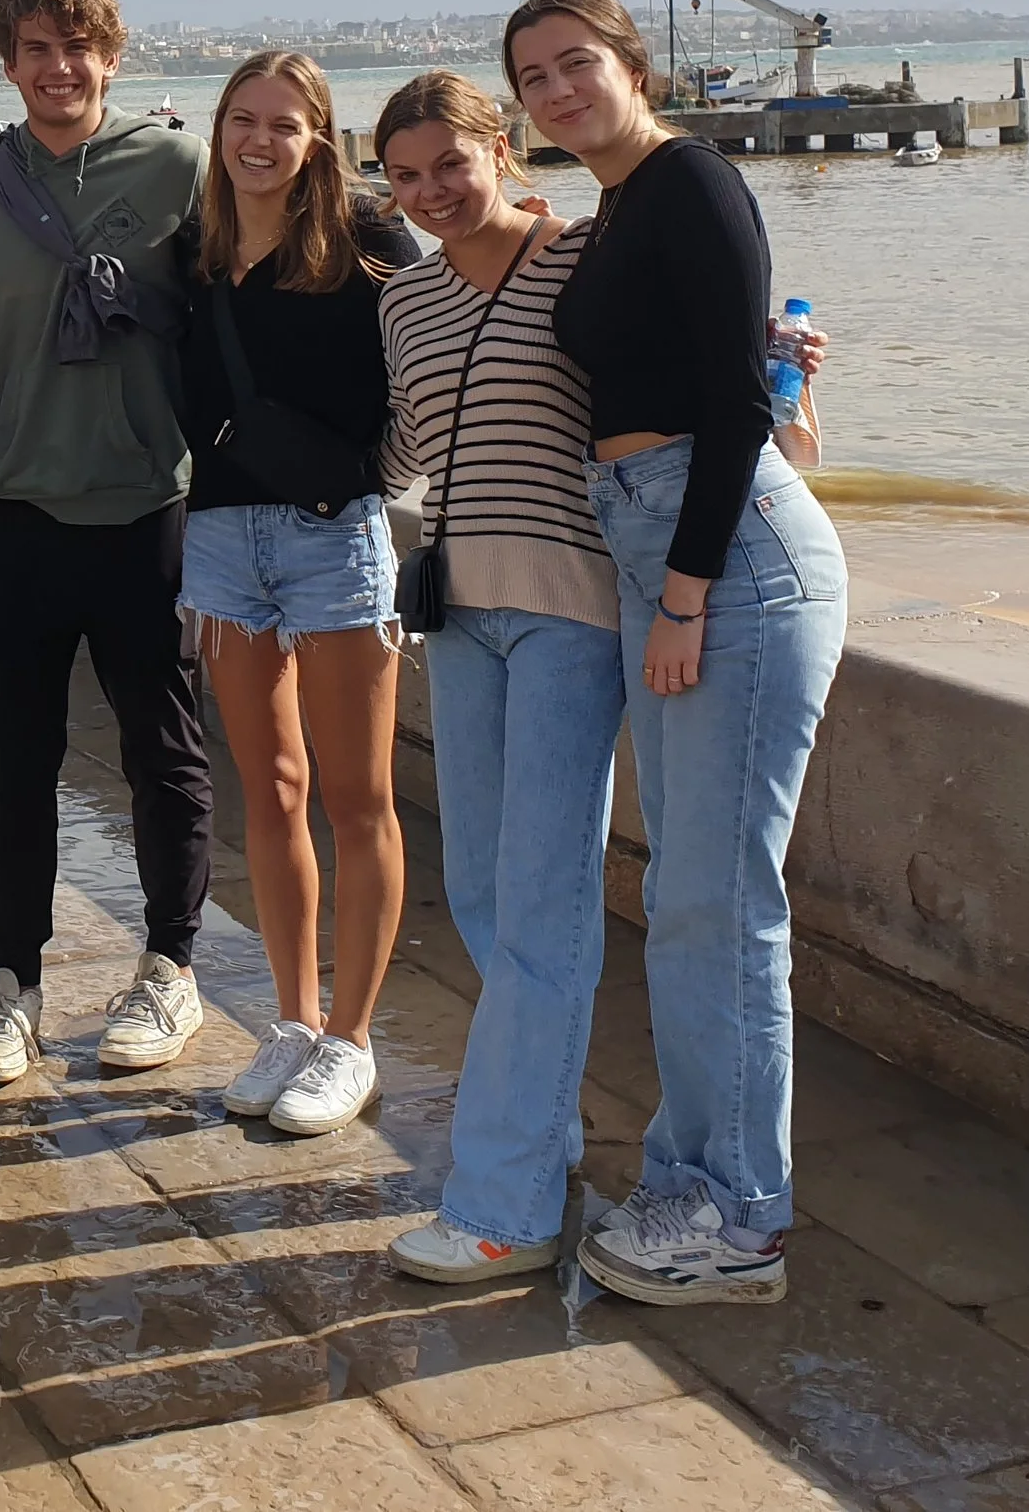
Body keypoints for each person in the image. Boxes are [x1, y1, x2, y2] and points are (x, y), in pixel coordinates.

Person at [511, 0, 848, 1308]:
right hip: (659, 543)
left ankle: (742, 1219)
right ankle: (691, 1172)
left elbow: (719, 403)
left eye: (575, 62)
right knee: (685, 896)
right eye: (532, 75)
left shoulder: (692, 179)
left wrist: (692, 593)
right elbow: (723, 350)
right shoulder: (621, 213)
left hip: (729, 559)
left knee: (718, 903)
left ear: (630, 63)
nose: (555, 90)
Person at [370, 70, 626, 1281]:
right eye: (404, 178)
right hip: (461, 614)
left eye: (448, 168)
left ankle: (506, 1202)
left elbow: (671, 397)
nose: (428, 196)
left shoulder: (585, 262)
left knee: (539, 906)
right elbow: (408, 449)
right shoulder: (404, 301)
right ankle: (547, 1121)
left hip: (577, 615)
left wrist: (793, 375)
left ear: (503, 147)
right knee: (478, 888)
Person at [0, 0, 214, 1086]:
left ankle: (170, 964)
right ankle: (14, 981)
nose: (59, 68)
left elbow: (271, 281)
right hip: (13, 508)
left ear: (114, 56)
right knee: (11, 759)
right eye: (37, 49)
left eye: (79, 47)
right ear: (7, 64)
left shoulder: (179, 166)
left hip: (148, 504)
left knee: (167, 751)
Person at [177, 52, 417, 1138]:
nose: (258, 140)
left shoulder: (368, 242)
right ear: (217, 128)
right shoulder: (191, 254)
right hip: (222, 540)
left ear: (320, 136)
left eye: (283, 123)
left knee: (356, 796)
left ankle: (351, 1038)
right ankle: (290, 1018)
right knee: (267, 789)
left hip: (336, 540)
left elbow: (446, 330)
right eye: (241, 119)